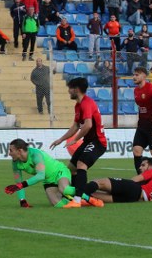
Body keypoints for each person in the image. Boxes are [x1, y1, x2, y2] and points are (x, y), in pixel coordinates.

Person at [50, 77, 108, 209]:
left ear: (76, 89)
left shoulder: (86, 103)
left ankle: (77, 199)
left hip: (98, 142)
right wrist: (61, 139)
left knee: (81, 164)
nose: (69, 91)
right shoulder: (78, 105)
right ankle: (77, 197)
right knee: (71, 169)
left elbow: (88, 125)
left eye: (70, 89)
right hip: (89, 141)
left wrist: (76, 140)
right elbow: (76, 126)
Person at [4, 139, 94, 208]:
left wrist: (21, 185)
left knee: (64, 189)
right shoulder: (15, 163)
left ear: (19, 151)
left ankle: (90, 198)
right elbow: (18, 183)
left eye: (11, 150)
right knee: (57, 204)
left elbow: (40, 175)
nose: (9, 153)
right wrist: (22, 200)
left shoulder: (35, 155)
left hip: (59, 172)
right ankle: (77, 201)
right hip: (47, 180)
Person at [84, 157, 152, 203]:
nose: (140, 168)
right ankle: (78, 195)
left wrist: (122, 184)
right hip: (134, 198)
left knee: (102, 182)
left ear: (150, 166)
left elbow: (134, 180)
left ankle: (77, 192)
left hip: (135, 189)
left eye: (143, 165)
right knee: (99, 196)